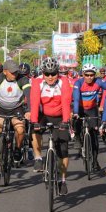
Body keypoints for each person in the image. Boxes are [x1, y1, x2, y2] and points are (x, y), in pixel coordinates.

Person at [30, 57, 72, 195]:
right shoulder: (37, 82)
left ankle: (62, 180)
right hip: (44, 114)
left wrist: (65, 122)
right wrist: (34, 121)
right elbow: (35, 103)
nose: (50, 77)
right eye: (47, 74)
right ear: (43, 73)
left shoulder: (63, 82)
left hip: (60, 116)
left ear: (57, 73)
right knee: (34, 130)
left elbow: (66, 103)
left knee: (63, 150)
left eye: (53, 73)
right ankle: (37, 158)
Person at [73, 63, 106, 172]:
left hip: (92, 109)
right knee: (75, 119)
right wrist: (76, 112)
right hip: (80, 109)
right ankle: (77, 137)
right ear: (83, 74)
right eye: (87, 75)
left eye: (92, 75)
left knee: (94, 137)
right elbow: (76, 99)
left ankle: (95, 161)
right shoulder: (78, 83)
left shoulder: (98, 81)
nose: (90, 77)